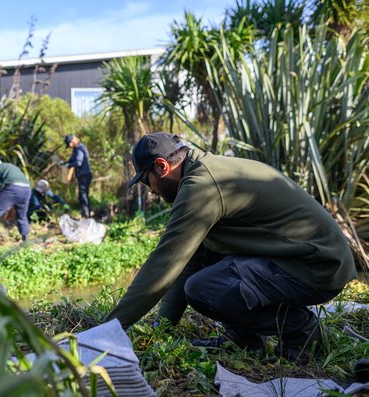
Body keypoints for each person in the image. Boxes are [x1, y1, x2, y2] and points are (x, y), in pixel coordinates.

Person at [104, 132, 356, 364]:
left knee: (201, 288)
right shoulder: (205, 170)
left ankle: (301, 331)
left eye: (148, 183)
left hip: (318, 266)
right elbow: (189, 260)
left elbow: (164, 263)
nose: (152, 192)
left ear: (162, 166)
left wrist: (106, 330)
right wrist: (163, 328)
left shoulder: (201, 186)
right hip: (311, 258)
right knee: (206, 262)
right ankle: (244, 338)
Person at [0, 158, 31, 241]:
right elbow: (13, 196)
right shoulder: (11, 168)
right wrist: (11, 210)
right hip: (26, 189)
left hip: (13, 187)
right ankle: (26, 240)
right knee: (22, 216)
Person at [62, 134, 92, 218]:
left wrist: (69, 165)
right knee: (83, 194)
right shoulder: (76, 149)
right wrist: (65, 163)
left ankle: (86, 214)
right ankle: (87, 212)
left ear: (73, 140)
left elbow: (78, 162)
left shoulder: (80, 149)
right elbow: (72, 160)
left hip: (84, 175)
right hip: (82, 175)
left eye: (70, 143)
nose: (70, 146)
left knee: (83, 194)